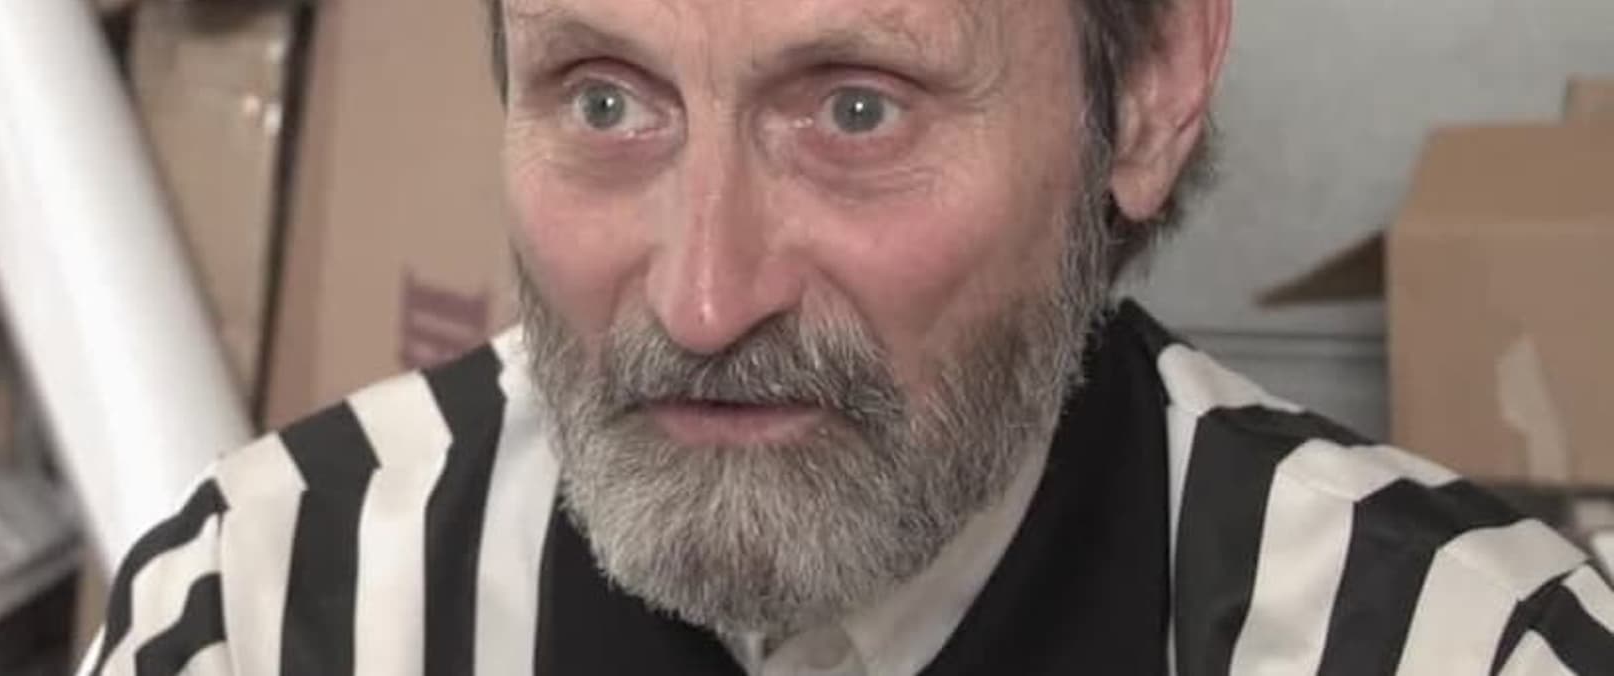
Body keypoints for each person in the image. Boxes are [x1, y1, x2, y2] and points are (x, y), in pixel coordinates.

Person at [82, 0, 1614, 673]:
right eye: (606, 100)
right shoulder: (262, 615)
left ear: (1147, 90)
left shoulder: (1457, 650)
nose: (702, 300)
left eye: (857, 110)